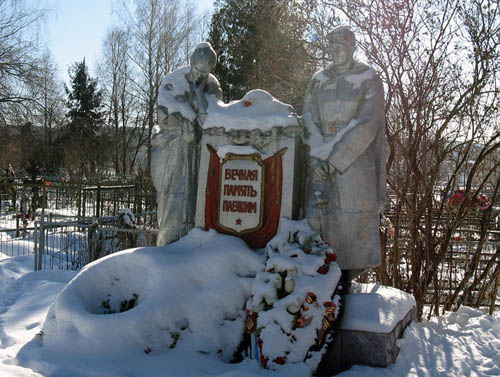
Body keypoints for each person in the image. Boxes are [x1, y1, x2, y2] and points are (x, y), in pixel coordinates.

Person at [302, 26, 386, 284]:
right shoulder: (318, 80)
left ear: (352, 46)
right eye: (331, 45)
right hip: (319, 163)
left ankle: (347, 283)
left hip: (354, 163)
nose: (335, 50)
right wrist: (316, 156)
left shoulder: (368, 78)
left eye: (341, 44)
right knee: (319, 227)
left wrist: (333, 159)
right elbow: (308, 117)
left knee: (351, 237)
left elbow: (367, 123)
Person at [151, 42, 222, 246]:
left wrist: (200, 96)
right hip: (173, 149)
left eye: (205, 72)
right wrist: (185, 124)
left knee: (194, 198)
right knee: (172, 197)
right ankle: (168, 243)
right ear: (191, 62)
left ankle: (189, 243)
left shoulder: (211, 85)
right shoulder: (173, 81)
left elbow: (213, 116)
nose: (200, 75)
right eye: (197, 69)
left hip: (198, 151)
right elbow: (163, 115)